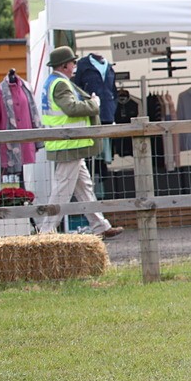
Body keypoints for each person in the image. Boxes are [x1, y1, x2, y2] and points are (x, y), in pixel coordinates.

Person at [35, 46, 123, 239]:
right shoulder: (61, 84)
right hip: (69, 143)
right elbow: (72, 109)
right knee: (62, 190)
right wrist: (94, 105)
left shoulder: (55, 82)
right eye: (73, 62)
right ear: (65, 65)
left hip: (69, 143)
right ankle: (46, 232)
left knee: (84, 187)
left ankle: (100, 225)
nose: (75, 65)